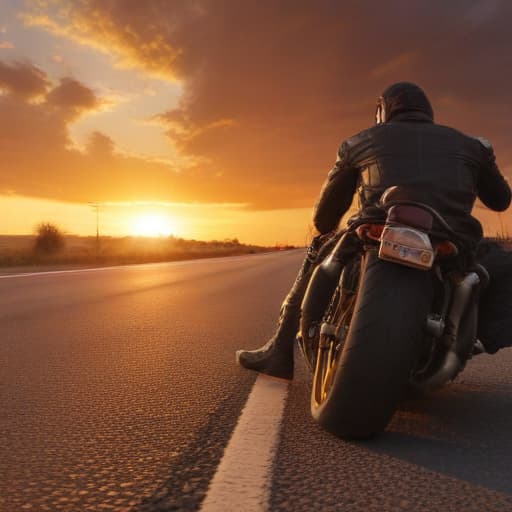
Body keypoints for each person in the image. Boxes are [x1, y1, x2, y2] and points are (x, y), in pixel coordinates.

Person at [236, 81, 511, 380]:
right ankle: (476, 339)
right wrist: (482, 161)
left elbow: (324, 220)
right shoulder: (472, 146)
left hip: (374, 230)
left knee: (322, 248)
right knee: (499, 265)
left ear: (382, 112)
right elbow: (500, 200)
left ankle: (280, 350)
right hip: (450, 241)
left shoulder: (359, 142)